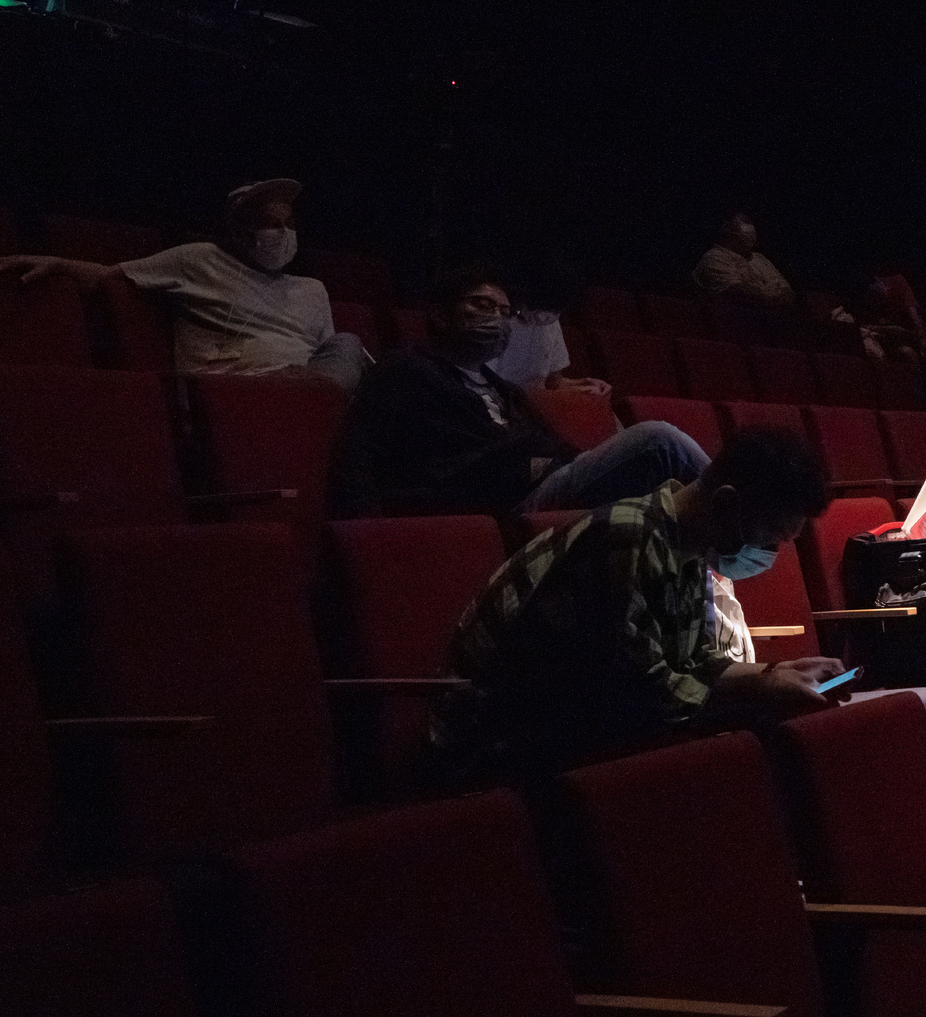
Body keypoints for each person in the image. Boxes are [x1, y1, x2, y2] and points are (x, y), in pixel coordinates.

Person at [421, 425, 842, 796]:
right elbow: (645, 693)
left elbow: (690, 661)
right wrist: (762, 689)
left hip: (568, 716)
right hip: (492, 743)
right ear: (727, 504)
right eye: (771, 536)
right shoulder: (626, 537)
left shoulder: (688, 545)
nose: (771, 552)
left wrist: (777, 672)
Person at [331, 266, 708, 518]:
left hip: (542, 485)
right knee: (659, 441)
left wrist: (558, 462)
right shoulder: (407, 371)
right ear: (441, 315)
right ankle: (739, 522)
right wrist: (526, 464)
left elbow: (555, 448)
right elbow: (395, 460)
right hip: (505, 502)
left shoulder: (506, 391)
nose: (497, 318)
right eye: (482, 305)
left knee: (662, 497)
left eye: (505, 312)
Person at [0, 177, 368, 389]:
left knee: (352, 347)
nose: (283, 234)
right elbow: (109, 276)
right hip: (238, 390)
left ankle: (319, 399)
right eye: (271, 224)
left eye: (289, 224)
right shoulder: (198, 259)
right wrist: (56, 262)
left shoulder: (311, 288)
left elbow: (331, 361)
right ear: (238, 230)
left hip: (307, 393)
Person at [490, 255, 608, 394]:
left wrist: (584, 384)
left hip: (534, 401)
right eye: (536, 307)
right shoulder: (497, 321)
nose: (544, 316)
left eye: (554, 309)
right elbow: (484, 384)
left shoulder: (551, 324)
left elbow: (553, 383)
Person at [691, 211, 796, 308]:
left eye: (753, 235)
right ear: (728, 233)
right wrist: (773, 302)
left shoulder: (759, 258)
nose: (752, 239)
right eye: (746, 236)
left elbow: (783, 285)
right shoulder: (714, 258)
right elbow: (739, 293)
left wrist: (786, 297)